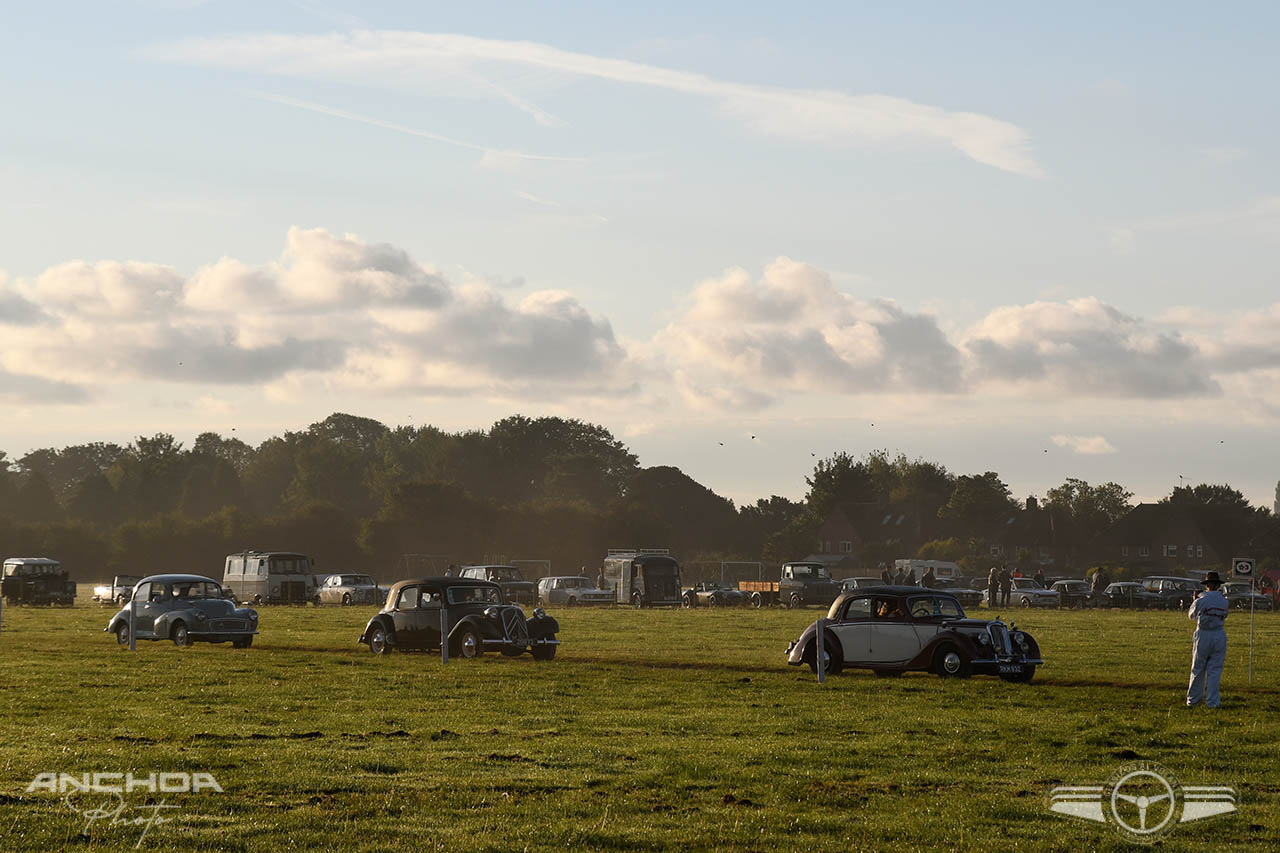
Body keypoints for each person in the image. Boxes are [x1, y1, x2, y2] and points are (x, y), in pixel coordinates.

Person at [1186, 571, 1230, 709]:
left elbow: (1191, 616)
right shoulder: (1224, 601)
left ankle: (1193, 700)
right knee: (1215, 671)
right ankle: (1212, 702)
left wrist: (1195, 599)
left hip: (1204, 634)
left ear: (1207, 585)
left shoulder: (1201, 600)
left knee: (1198, 669)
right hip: (1219, 634)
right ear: (1217, 585)